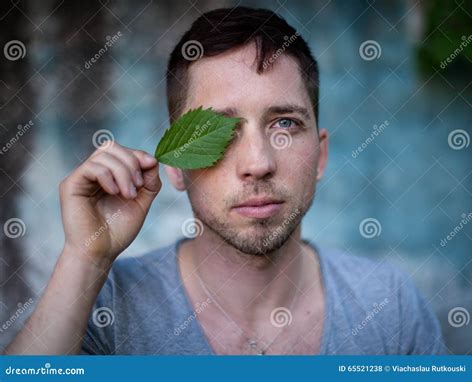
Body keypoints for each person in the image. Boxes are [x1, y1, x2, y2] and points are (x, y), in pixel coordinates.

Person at [5, 6, 445, 355]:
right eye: (220, 131)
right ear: (174, 163)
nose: (258, 163)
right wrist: (85, 257)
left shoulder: (389, 308)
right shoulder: (103, 310)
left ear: (321, 155)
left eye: (286, 124)